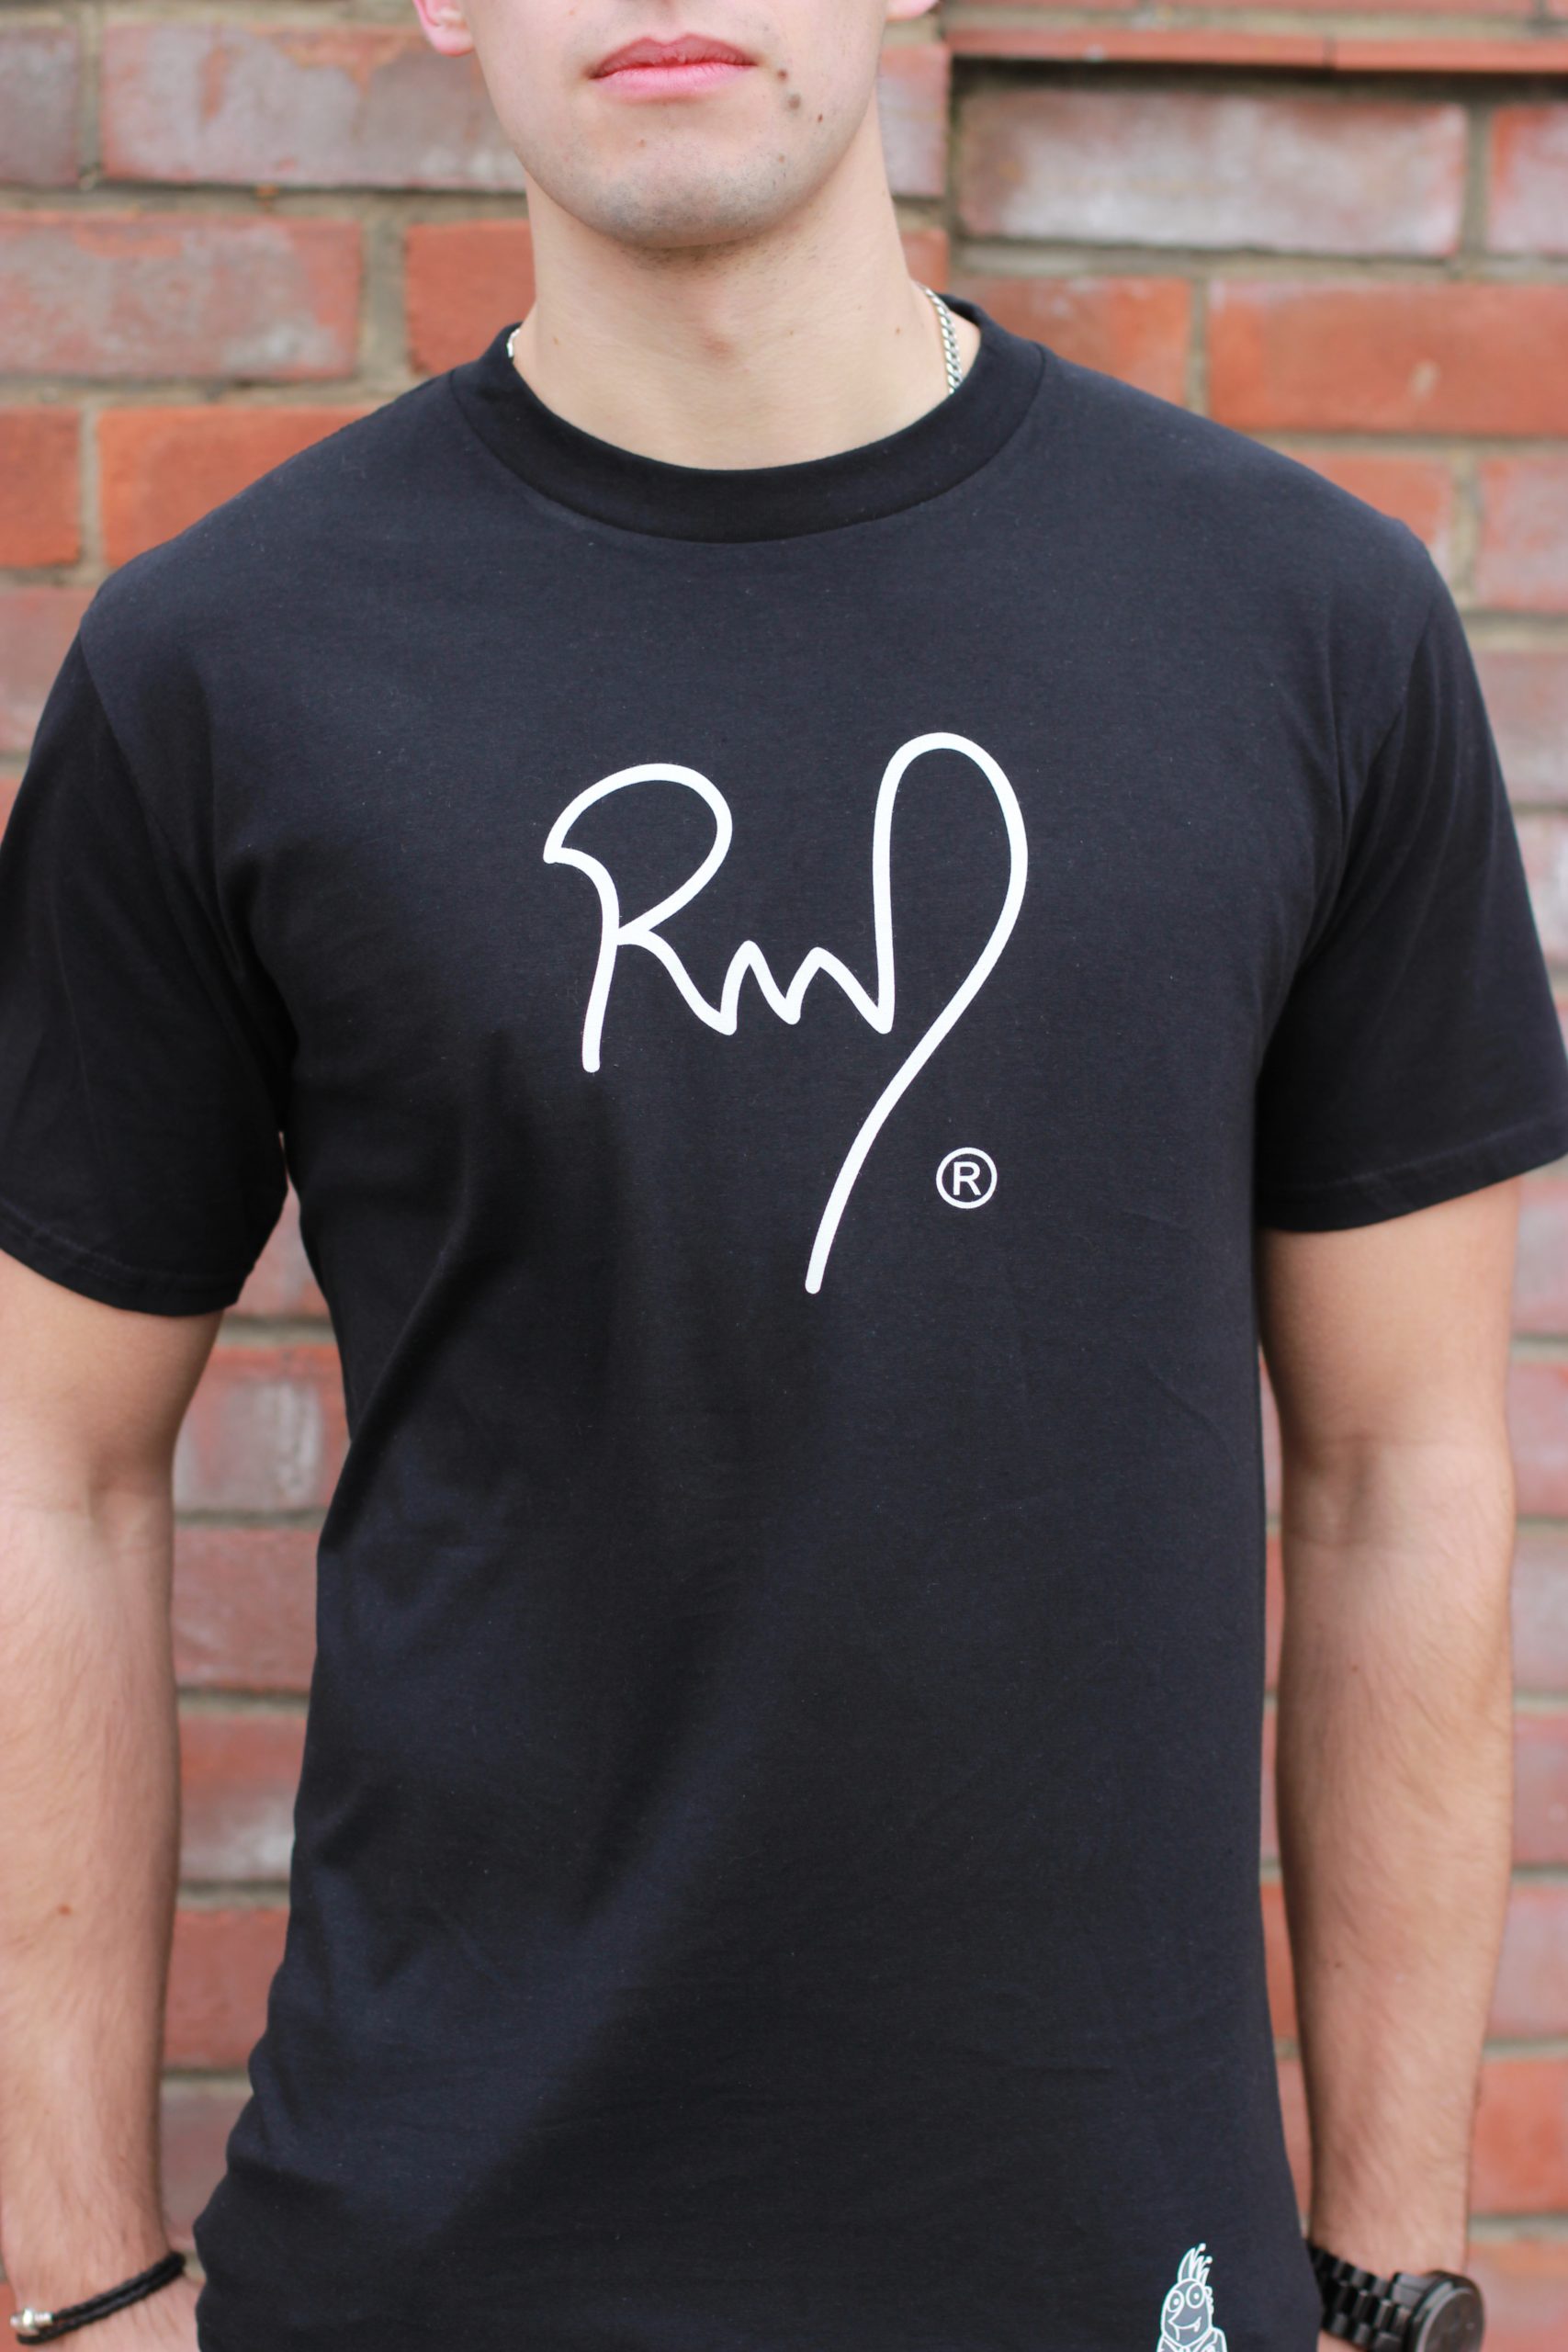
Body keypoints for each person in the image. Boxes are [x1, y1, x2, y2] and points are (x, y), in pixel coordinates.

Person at [0, 4, 1562, 2350]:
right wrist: (79, 2279)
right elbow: (49, 1464)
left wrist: (1387, 2271)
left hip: (1113, 2276)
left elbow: (1397, 1470)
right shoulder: (223, 664)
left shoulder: (1301, 623)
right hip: (431, 2280)